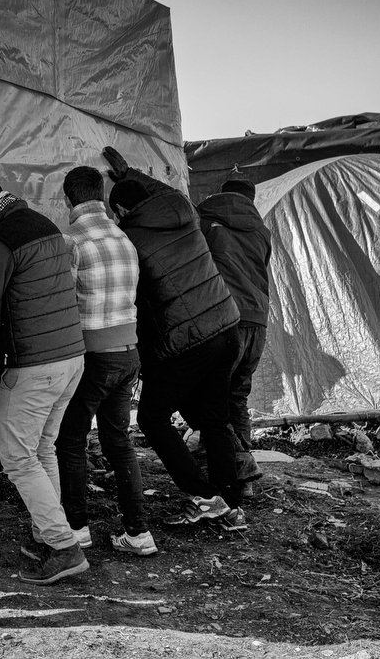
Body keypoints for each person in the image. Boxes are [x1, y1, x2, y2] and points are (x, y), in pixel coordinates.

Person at [102, 147, 247, 530]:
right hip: (226, 325)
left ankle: (202, 496)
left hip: (189, 338)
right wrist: (128, 171)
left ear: (119, 213)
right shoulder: (181, 208)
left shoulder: (129, 240)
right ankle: (229, 503)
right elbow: (159, 190)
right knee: (215, 419)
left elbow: (135, 300)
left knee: (152, 417)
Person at [0, 174, 88, 585]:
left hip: (35, 364)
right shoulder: (45, 225)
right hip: (71, 357)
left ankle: (63, 547)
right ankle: (47, 536)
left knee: (16, 456)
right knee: (42, 448)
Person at [54, 166, 156, 556]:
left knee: (71, 439)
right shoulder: (124, 238)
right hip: (129, 354)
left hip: (93, 356)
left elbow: (64, 302)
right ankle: (138, 532)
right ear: (102, 196)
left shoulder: (72, 241)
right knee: (118, 441)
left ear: (68, 199)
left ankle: (77, 528)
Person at [197, 178, 272, 490]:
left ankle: (238, 463)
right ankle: (240, 480)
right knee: (237, 397)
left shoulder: (207, 221)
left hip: (227, 320)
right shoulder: (262, 231)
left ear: (220, 193)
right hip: (259, 321)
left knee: (210, 399)